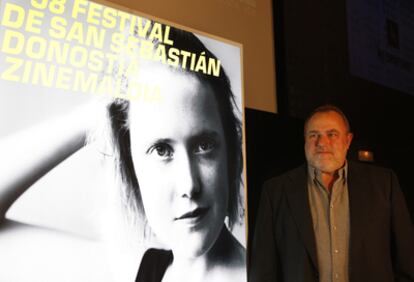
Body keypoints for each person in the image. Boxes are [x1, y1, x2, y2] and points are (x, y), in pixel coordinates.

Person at [0, 24, 246, 282]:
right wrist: (100, 113)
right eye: (161, 150)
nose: (189, 184)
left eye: (204, 146)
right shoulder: (131, 272)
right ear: (131, 167)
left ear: (232, 154)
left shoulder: (275, 271)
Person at [248, 105, 414, 282]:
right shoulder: (275, 191)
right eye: (313, 135)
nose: (321, 143)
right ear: (305, 141)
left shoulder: (384, 183)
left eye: (332, 134)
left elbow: (408, 260)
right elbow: (263, 270)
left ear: (348, 141)